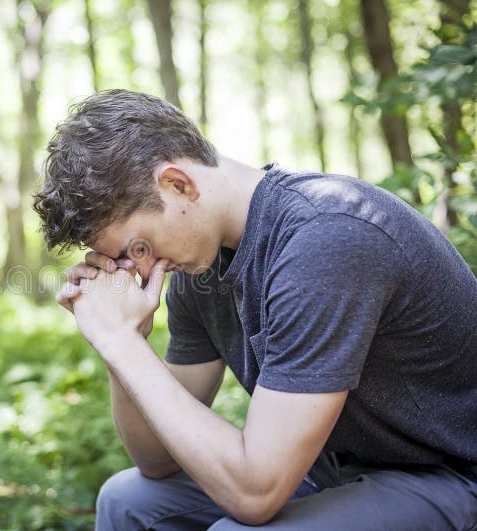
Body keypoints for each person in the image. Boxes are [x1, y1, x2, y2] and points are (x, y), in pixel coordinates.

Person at [32, 89, 477, 530]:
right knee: (126, 501)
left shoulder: (325, 238)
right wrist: (125, 343)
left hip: (449, 473)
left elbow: (255, 494)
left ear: (177, 184)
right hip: (337, 464)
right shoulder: (194, 270)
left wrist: (119, 341)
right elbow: (157, 461)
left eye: (137, 247)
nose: (138, 270)